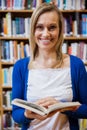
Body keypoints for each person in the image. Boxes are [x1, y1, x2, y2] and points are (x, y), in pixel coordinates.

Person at [12, 2, 87, 130]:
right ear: (33, 30)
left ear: (60, 30)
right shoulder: (21, 67)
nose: (46, 34)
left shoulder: (76, 65)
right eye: (40, 27)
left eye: (52, 27)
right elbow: (16, 114)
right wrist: (27, 114)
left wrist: (64, 107)